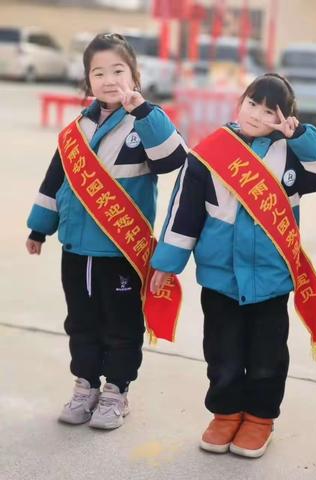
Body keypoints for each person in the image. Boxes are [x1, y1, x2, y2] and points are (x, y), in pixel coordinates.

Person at [150, 73, 316, 458]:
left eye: (271, 111)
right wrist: (167, 263)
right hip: (220, 278)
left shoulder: (292, 153)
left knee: (267, 356)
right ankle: (225, 414)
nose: (257, 115)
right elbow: (183, 213)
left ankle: (259, 419)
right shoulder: (210, 151)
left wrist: (299, 134)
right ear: (240, 103)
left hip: (271, 280)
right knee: (222, 353)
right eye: (252, 104)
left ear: (284, 117)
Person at [26, 33, 187, 430]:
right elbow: (54, 181)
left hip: (121, 251)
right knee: (80, 321)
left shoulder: (147, 121)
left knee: (121, 326)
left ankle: (116, 391)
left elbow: (173, 160)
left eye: (118, 70)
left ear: (135, 75)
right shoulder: (75, 130)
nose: (108, 79)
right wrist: (39, 227)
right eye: (98, 72)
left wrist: (144, 112)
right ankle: (85, 386)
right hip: (76, 249)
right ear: (87, 80)